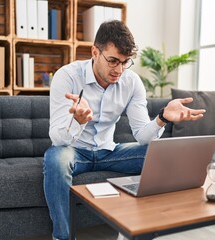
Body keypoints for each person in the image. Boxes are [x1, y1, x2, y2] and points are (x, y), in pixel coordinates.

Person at [43, 20, 206, 240]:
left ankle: (139, 233)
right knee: (55, 160)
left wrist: (162, 118)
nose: (119, 70)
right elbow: (58, 138)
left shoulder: (132, 82)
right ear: (95, 52)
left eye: (125, 62)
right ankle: (62, 237)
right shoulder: (67, 76)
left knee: (160, 154)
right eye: (113, 61)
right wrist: (78, 122)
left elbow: (141, 135)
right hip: (75, 150)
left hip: (109, 152)